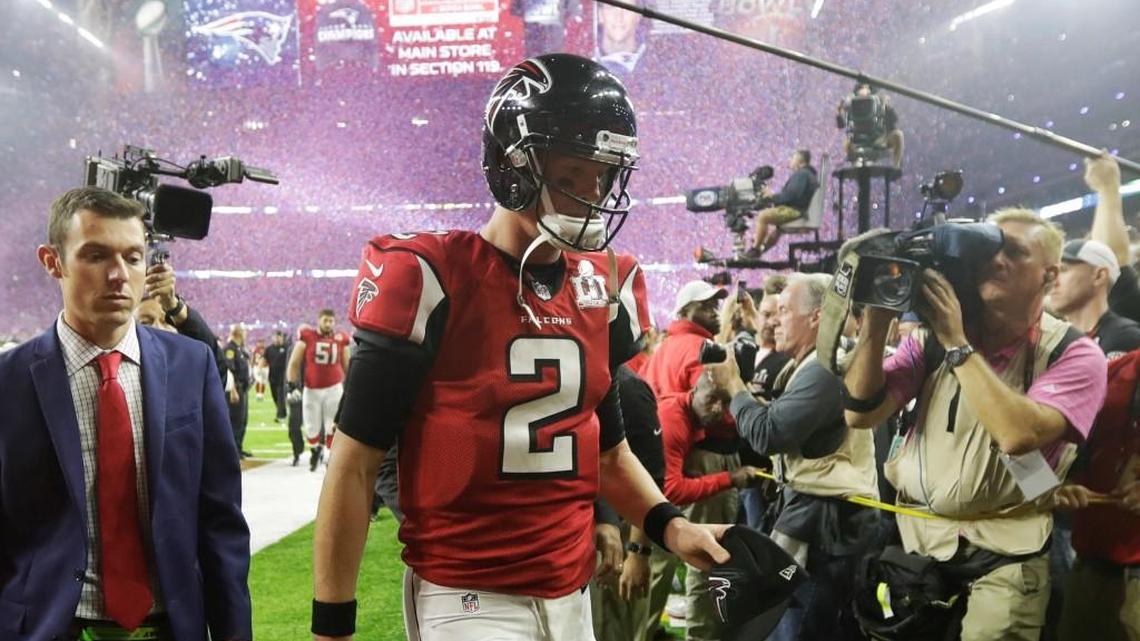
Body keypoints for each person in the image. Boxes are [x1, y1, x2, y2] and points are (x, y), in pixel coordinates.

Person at [311, 54, 730, 641]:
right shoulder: (430, 275)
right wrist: (332, 624)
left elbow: (608, 453)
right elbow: (353, 467)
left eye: (601, 177)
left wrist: (670, 526)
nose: (590, 196)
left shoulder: (602, 285)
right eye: (570, 176)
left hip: (571, 591)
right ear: (513, 166)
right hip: (469, 598)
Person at [844, 209, 1108, 640]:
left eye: (1016, 253)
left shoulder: (1073, 353)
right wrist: (878, 314)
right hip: (919, 550)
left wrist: (958, 344)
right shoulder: (930, 339)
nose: (997, 260)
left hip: (1007, 554)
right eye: (991, 248)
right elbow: (861, 412)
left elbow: (1017, 434)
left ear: (1049, 277)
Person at [0, 186, 250, 641]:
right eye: (96, 255)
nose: (118, 275)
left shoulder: (191, 365)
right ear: (52, 261)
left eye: (133, 258)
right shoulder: (8, 382)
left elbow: (220, 522)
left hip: (171, 625)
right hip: (47, 625)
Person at [708, 273, 878, 641]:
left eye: (783, 311)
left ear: (817, 317)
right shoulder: (809, 363)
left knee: (797, 628)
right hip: (816, 515)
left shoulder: (823, 368)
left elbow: (769, 434)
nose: (770, 321)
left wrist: (735, 386)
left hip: (825, 522)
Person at [645, 372, 759, 641]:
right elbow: (671, 490)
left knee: (666, 570)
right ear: (694, 391)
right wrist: (728, 478)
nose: (719, 409)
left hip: (649, 501)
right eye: (711, 400)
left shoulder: (696, 413)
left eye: (725, 402)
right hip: (638, 505)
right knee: (675, 567)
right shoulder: (675, 420)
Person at [1050, 238, 1140, 359]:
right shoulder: (1054, 340)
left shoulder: (1125, 338)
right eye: (1053, 272)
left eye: (1063, 270)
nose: (1053, 281)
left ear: (1099, 276)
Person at [134, 261, 226, 377]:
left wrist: (174, 307)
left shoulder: (186, 374)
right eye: (145, 323)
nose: (158, 328)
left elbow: (214, 367)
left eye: (167, 321)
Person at [287, 309, 351, 471]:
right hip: (311, 388)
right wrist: (291, 384)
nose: (328, 324)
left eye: (331, 321)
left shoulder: (341, 339)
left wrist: (350, 386)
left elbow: (348, 365)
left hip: (334, 387)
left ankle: (330, 455)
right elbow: (294, 362)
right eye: (325, 320)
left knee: (332, 425)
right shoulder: (307, 336)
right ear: (319, 320)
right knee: (311, 427)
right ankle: (315, 450)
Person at [642, 280, 727, 398]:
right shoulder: (703, 348)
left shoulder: (660, 350)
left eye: (716, 306)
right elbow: (713, 402)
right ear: (684, 313)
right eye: (705, 307)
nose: (715, 313)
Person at [745, 149, 819, 258]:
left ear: (799, 160)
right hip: (802, 210)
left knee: (763, 217)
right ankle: (761, 250)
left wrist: (772, 197)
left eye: (793, 158)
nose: (791, 161)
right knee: (778, 230)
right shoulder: (809, 175)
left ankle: (755, 249)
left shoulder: (802, 174)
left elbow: (791, 196)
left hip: (796, 210)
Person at [836, 81, 903, 168]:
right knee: (847, 143)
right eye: (862, 88)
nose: (864, 91)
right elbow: (841, 125)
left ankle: (896, 166)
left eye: (866, 88)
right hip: (856, 140)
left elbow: (893, 121)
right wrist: (839, 112)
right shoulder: (851, 105)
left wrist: (887, 107)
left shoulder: (878, 103)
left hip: (877, 139)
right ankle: (857, 166)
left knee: (898, 135)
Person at [223, 323, 252, 459]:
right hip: (236, 389)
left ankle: (239, 448)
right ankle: (233, 450)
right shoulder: (230, 349)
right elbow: (229, 370)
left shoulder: (240, 349)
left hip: (243, 389)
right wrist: (233, 390)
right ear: (238, 333)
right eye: (244, 332)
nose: (246, 334)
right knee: (235, 421)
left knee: (242, 421)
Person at [594, 0, 646, 77]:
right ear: (600, 14)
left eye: (628, 8)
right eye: (611, 7)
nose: (619, 17)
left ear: (638, 16)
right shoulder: (583, 64)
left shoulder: (658, 67)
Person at [264, 330, 290, 421]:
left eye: (279, 337)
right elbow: (265, 360)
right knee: (275, 396)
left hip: (283, 376)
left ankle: (281, 415)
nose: (277, 339)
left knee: (281, 396)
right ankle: (282, 412)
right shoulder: (269, 349)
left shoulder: (287, 348)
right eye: (276, 337)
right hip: (272, 376)